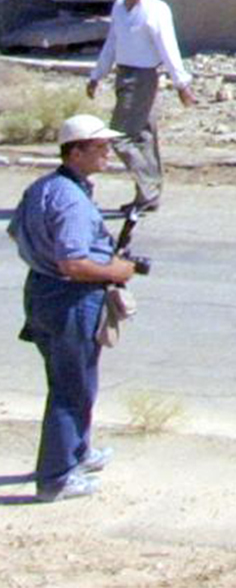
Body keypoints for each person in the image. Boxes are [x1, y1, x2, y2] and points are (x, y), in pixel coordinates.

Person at [12, 115, 142, 503]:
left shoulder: (44, 188)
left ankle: (76, 454)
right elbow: (74, 263)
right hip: (71, 299)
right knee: (71, 388)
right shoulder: (70, 199)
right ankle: (55, 479)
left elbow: (17, 232)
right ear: (76, 151)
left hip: (43, 292)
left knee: (77, 382)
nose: (107, 154)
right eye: (99, 147)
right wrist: (115, 270)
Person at [85, 0, 194, 212]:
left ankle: (148, 186)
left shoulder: (156, 10)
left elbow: (168, 47)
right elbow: (112, 43)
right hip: (124, 74)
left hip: (143, 77)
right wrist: (96, 75)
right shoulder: (119, 8)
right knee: (143, 135)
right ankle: (148, 196)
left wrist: (181, 84)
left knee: (120, 136)